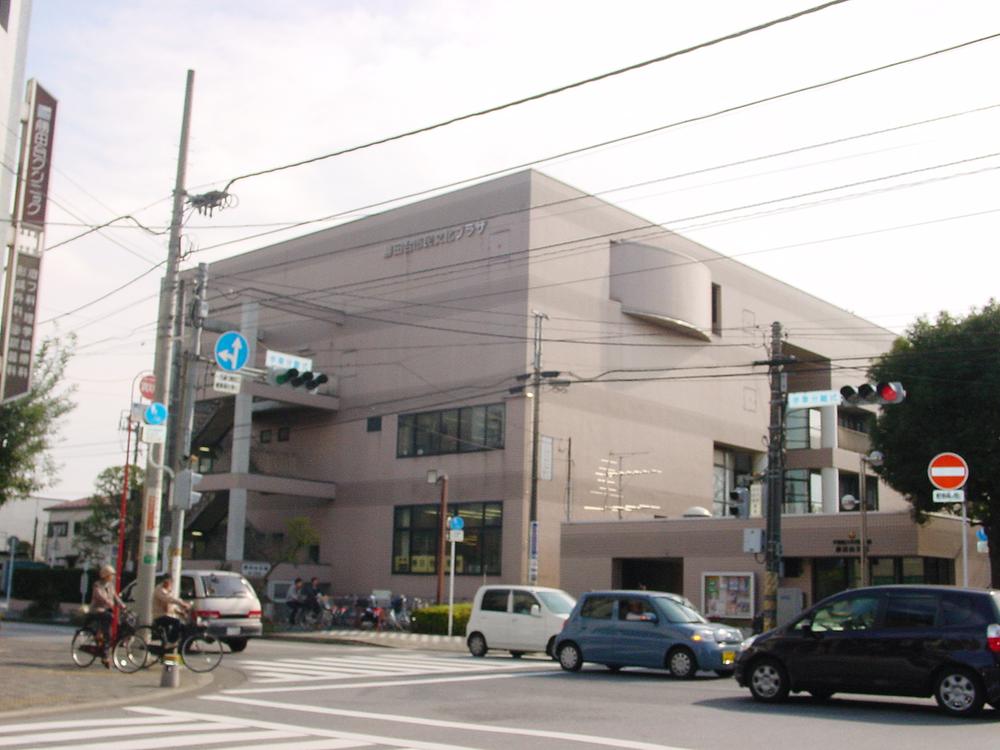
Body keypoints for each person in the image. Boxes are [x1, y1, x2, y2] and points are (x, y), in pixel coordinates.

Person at [89, 564, 124, 667]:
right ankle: (105, 653)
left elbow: (115, 597)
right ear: (105, 575)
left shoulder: (110, 585)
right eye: (110, 575)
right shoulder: (97, 585)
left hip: (107, 610)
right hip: (97, 610)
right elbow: (100, 596)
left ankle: (105, 641)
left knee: (117, 622)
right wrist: (109, 602)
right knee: (108, 625)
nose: (112, 577)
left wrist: (122, 606)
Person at [153, 576, 192, 645]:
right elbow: (169, 599)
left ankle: (180, 645)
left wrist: (179, 612)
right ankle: (171, 642)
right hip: (159, 616)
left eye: (170, 583)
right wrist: (182, 603)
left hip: (166, 615)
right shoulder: (160, 590)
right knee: (177, 622)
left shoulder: (168, 590)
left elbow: (170, 606)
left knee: (183, 627)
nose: (169, 585)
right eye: (168, 583)